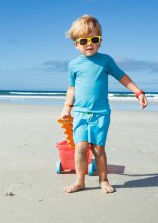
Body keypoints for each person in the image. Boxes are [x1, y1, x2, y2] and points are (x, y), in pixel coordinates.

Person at [60, 15, 148, 194]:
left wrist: (138, 92)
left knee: (98, 148)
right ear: (76, 44)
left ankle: (104, 180)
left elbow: (122, 77)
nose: (89, 43)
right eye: (84, 40)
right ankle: (79, 181)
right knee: (81, 147)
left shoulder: (105, 60)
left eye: (94, 39)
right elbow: (72, 88)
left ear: (100, 41)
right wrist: (67, 108)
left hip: (101, 113)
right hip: (81, 113)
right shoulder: (73, 65)